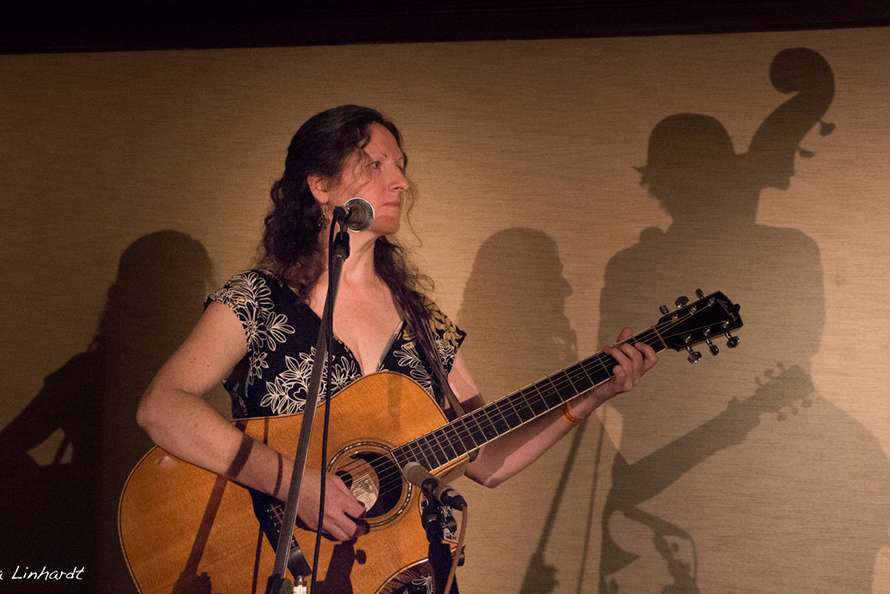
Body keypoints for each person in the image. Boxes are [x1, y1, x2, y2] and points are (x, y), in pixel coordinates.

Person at [136, 104, 657, 559]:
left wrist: (591, 395)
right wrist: (295, 486)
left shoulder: (422, 320)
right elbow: (160, 407)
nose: (401, 182)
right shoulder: (257, 299)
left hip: (408, 570)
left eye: (401, 166)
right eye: (376, 165)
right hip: (277, 558)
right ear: (320, 186)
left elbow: (488, 461)